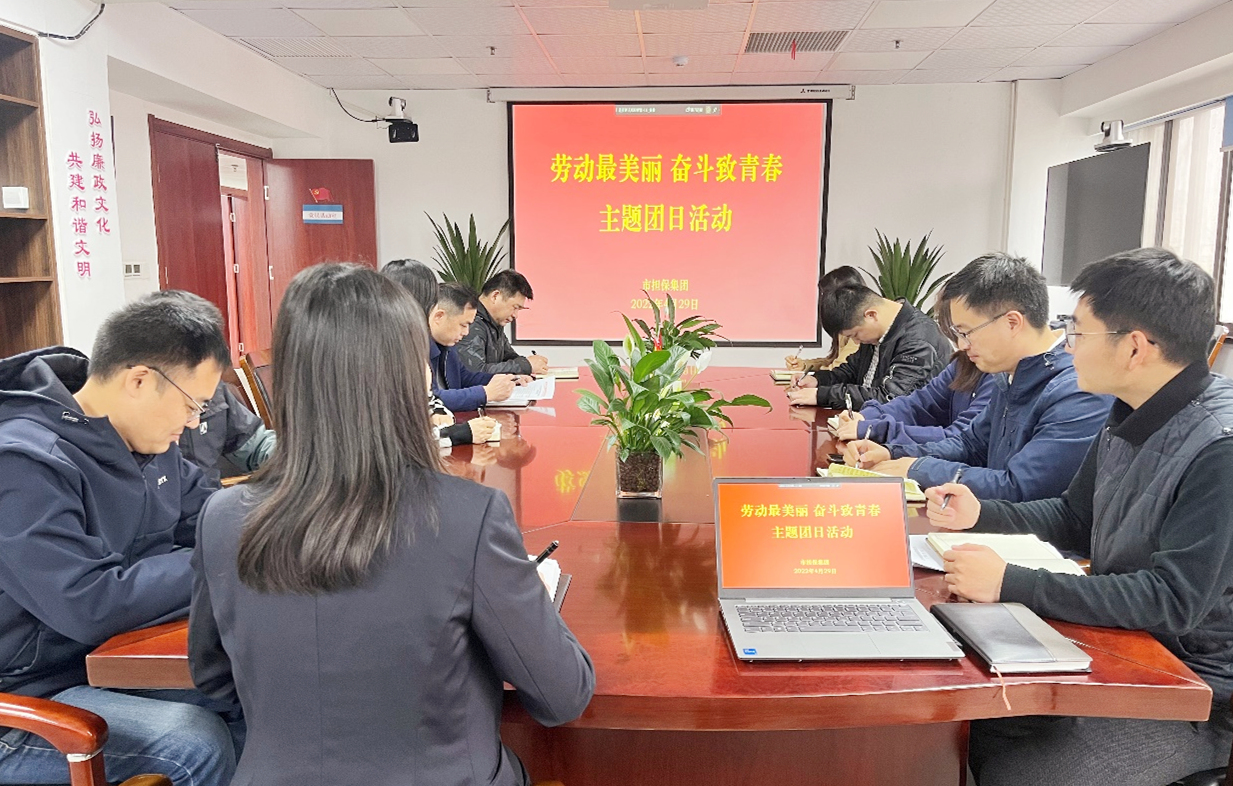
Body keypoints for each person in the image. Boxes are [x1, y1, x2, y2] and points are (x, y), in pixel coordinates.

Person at [188, 263, 594, 786]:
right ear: (407, 375)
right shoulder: (467, 518)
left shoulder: (223, 518)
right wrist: (525, 596)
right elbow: (562, 695)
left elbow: (215, 680)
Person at [924, 249, 1233, 786]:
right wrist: (981, 514)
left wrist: (1010, 582)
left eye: (1079, 332)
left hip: (1191, 690)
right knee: (970, 725)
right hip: (1122, 648)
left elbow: (1173, 600)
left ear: (1134, 347)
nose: (1068, 345)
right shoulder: (1129, 412)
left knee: (1017, 772)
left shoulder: (1218, 448)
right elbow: (1074, 516)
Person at [0, 291, 241, 786]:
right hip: (28, 697)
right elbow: (90, 602)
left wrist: (279, 526)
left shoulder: (148, 445)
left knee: (255, 691)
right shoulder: (24, 461)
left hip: (106, 667)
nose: (193, 422)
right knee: (194, 744)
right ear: (139, 380)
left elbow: (215, 518)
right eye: (192, 404)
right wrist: (223, 559)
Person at [843, 253, 1111, 501]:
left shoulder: (1077, 390)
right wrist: (893, 453)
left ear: (1012, 322)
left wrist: (918, 468)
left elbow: (1021, 487)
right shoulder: (1010, 373)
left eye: (966, 332)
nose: (961, 345)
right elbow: (969, 444)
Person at [834, 296, 995, 447]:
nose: (961, 345)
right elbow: (919, 403)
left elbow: (961, 439)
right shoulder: (963, 363)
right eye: (957, 334)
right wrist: (868, 415)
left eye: (967, 333)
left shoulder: (997, 378)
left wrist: (875, 430)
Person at [786, 282, 951, 408]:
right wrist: (818, 381)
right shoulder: (879, 332)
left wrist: (822, 396)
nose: (856, 341)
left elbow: (890, 398)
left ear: (871, 315)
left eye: (855, 335)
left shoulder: (918, 340)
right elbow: (851, 371)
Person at [428, 283, 517, 412]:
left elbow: (464, 377)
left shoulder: (448, 346)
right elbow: (430, 400)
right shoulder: (414, 350)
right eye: (463, 325)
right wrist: (485, 393)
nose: (466, 332)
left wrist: (505, 380)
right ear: (439, 317)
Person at [179, 380, 276, 484]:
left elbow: (254, 444)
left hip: (213, 491)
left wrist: (286, 458)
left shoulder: (213, 388)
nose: (194, 423)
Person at [458, 269, 549, 376]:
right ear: (495, 296)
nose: (515, 315)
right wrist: (526, 365)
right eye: (515, 307)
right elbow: (475, 372)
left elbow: (509, 357)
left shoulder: (493, 323)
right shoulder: (471, 323)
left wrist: (527, 367)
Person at [784, 266, 866, 372]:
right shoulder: (844, 322)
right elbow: (832, 360)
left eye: (826, 295)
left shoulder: (858, 327)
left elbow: (839, 368)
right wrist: (805, 365)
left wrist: (816, 377)